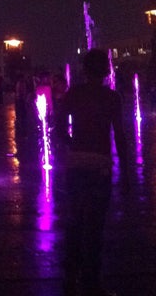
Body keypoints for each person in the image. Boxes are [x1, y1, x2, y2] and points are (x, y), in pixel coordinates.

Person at [57, 49, 130, 296]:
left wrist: (70, 143)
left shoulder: (73, 94)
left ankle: (69, 277)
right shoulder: (112, 98)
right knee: (95, 226)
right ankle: (92, 281)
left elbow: (57, 125)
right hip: (99, 164)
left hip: (77, 162)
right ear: (105, 70)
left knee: (75, 221)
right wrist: (127, 171)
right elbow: (119, 136)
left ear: (85, 69)